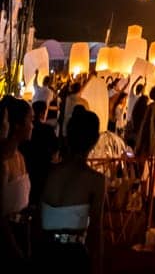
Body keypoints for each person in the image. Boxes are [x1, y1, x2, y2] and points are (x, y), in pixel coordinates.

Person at [38, 105, 105, 270]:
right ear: (95, 140)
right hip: (73, 256)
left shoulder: (49, 171)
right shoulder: (96, 180)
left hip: (44, 251)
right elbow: (96, 228)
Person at [1, 97, 34, 259]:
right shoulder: (3, 163)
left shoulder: (20, 156)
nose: (32, 126)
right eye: (30, 120)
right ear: (17, 125)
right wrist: (16, 250)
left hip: (22, 231)